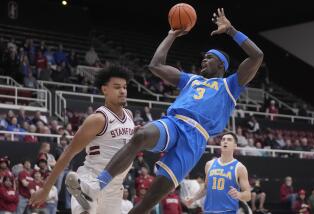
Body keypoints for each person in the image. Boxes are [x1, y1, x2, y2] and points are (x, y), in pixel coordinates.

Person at [53, 8, 262, 214]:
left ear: (221, 65)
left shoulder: (230, 85)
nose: (204, 60)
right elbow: (155, 65)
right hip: (175, 122)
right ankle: (96, 186)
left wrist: (231, 30)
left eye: (209, 57)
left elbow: (256, 56)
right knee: (141, 135)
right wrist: (171, 35)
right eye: (204, 57)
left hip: (195, 139)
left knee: (147, 202)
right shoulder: (192, 80)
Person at [30, 64, 135, 214]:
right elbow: (68, 153)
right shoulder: (98, 119)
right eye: (117, 87)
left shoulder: (129, 116)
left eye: (125, 87)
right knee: (86, 208)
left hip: (114, 188)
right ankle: (83, 196)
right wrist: (45, 189)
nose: (123, 91)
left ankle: (84, 199)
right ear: (105, 90)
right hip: (93, 179)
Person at [185, 132, 251, 213]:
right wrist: (193, 198)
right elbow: (206, 188)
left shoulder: (240, 168)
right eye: (223, 140)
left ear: (235, 146)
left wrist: (239, 195)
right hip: (208, 211)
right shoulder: (209, 164)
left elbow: (248, 195)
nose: (225, 141)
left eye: (229, 140)